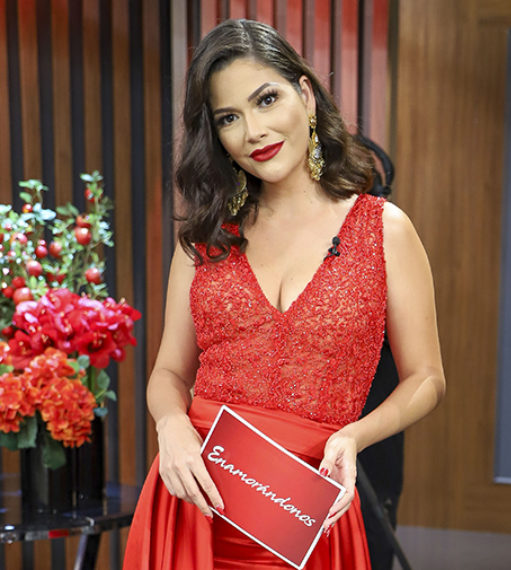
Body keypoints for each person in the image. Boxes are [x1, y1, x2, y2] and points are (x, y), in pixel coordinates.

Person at [124, 19, 445, 569]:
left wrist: (355, 437)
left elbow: (427, 378)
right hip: (193, 505)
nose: (253, 131)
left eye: (266, 99)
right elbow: (169, 373)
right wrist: (171, 425)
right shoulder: (205, 239)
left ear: (306, 95)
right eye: (229, 118)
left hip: (308, 509)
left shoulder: (383, 229)